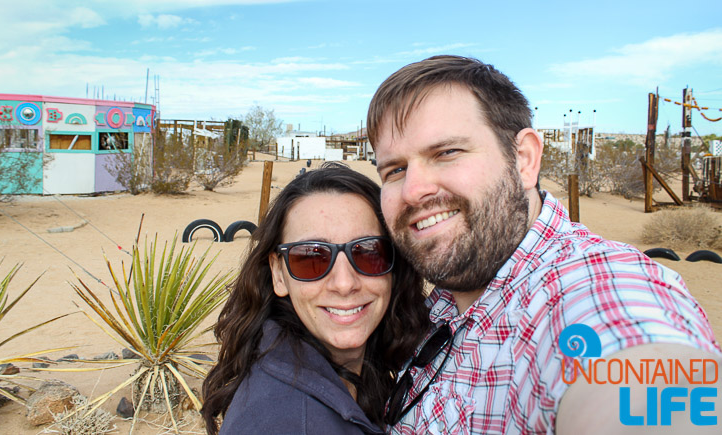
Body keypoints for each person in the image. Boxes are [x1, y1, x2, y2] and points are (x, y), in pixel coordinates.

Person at [367, 55, 722, 434]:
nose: (413, 190)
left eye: (446, 152)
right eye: (395, 169)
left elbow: (642, 375)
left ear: (524, 159)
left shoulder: (590, 288)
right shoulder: (441, 296)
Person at [201, 163, 430, 434]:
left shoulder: (355, 377)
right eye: (311, 258)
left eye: (369, 252)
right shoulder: (285, 422)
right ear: (278, 274)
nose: (344, 284)